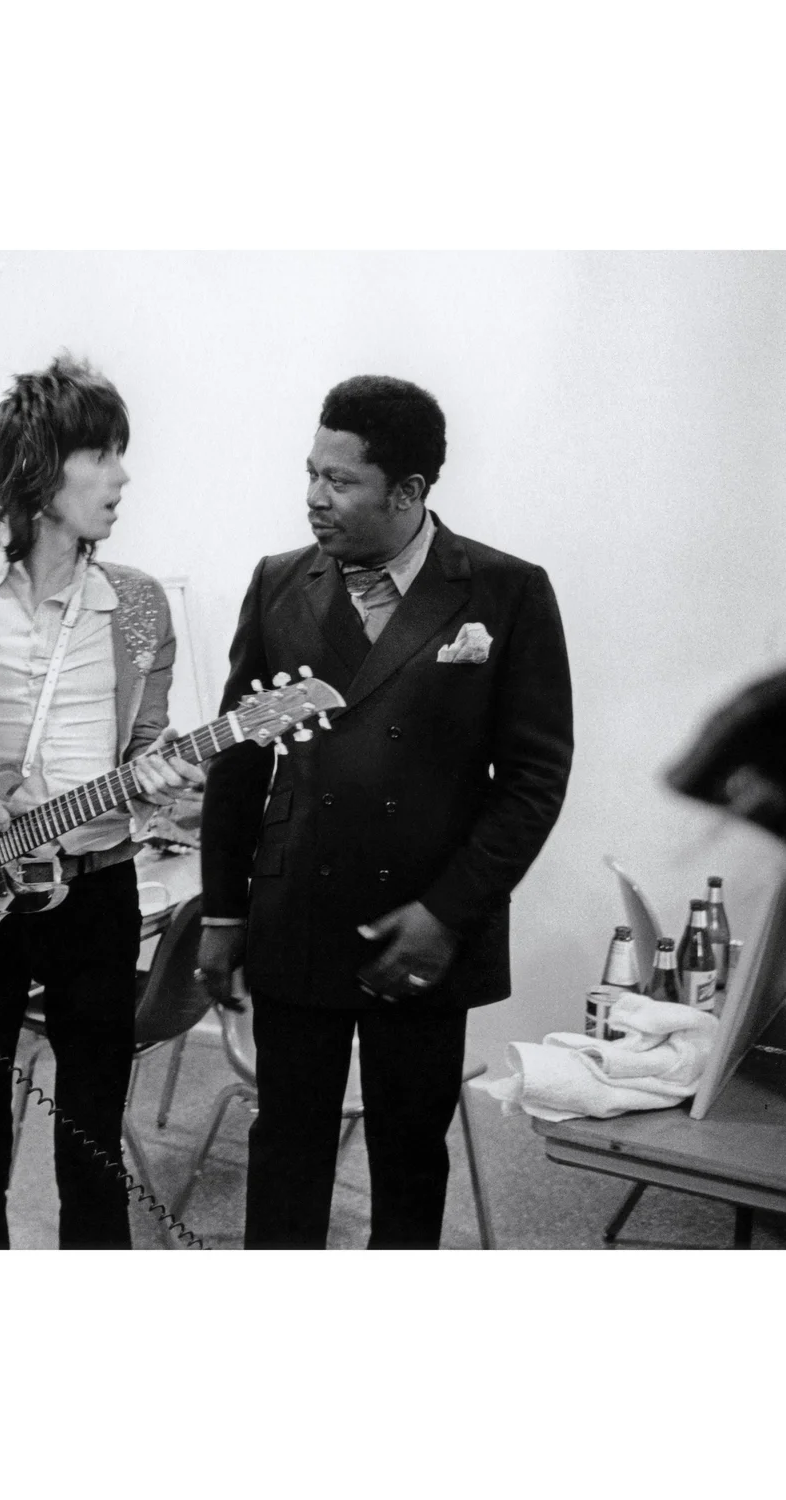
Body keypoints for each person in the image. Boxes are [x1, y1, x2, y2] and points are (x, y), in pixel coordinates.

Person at [198, 375, 574, 1249]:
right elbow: (238, 756)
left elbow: (533, 779)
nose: (314, 499)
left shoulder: (504, 593)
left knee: (410, 1155)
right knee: (285, 1148)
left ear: (408, 492)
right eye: (310, 473)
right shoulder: (280, 583)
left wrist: (448, 914)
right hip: (297, 916)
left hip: (424, 925)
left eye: (340, 481)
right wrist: (222, 909)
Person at [0, 354, 203, 1249]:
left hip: (97, 884)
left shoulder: (141, 605)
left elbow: (147, 742)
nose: (122, 477)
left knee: (93, 1128)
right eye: (102, 456)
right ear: (40, 471)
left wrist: (162, 778)